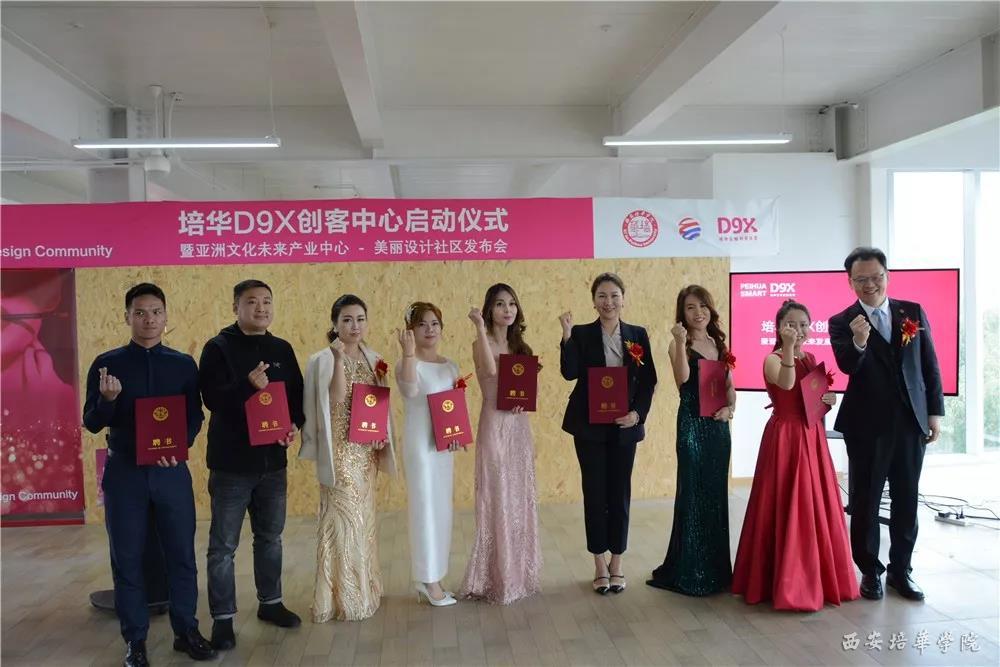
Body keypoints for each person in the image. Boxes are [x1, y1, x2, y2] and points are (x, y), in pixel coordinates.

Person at [83, 283, 215, 666]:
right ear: (127, 316)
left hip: (171, 473)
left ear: (166, 316)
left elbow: (194, 416)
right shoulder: (107, 364)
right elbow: (92, 422)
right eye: (140, 312)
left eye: (156, 312)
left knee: (182, 555)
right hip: (124, 473)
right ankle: (135, 640)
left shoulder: (183, 364)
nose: (149, 319)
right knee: (126, 558)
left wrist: (180, 446)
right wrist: (107, 401)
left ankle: (186, 631)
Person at [830, 247, 944, 602]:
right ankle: (870, 571)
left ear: (887, 276)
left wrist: (934, 412)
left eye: (876, 277)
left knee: (907, 499)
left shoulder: (912, 312)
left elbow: (929, 364)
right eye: (861, 279)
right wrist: (859, 341)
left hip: (911, 422)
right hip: (866, 426)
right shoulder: (842, 321)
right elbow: (847, 365)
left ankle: (901, 571)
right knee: (865, 500)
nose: (870, 285)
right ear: (850, 282)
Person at [198, 279, 305, 650]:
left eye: (266, 301)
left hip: (273, 463)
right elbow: (212, 399)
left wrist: (294, 426)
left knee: (270, 538)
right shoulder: (218, 347)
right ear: (236, 307)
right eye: (252, 302)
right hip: (231, 465)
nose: (261, 308)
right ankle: (223, 619)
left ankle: (270, 603)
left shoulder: (281, 348)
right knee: (223, 547)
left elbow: (296, 399)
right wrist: (247, 386)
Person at [731, 300, 858, 611]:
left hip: (811, 436)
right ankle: (784, 583)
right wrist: (788, 348)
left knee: (813, 503)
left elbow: (812, 400)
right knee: (784, 501)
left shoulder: (810, 357)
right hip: (785, 437)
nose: (798, 330)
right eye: (791, 324)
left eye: (803, 325)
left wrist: (827, 399)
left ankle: (818, 579)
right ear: (779, 327)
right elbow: (786, 384)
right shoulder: (772, 358)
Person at [559, 272, 657, 594]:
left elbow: (648, 381)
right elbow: (569, 373)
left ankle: (617, 561)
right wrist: (566, 336)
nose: (608, 302)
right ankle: (599, 562)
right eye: (602, 296)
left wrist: (637, 415)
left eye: (614, 295)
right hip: (589, 427)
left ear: (623, 299)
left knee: (620, 494)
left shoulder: (637, 334)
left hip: (624, 426)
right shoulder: (582, 333)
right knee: (595, 493)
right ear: (594, 301)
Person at [301, 294, 397, 622]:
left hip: (366, 450)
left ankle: (365, 589)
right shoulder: (322, 359)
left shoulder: (375, 358)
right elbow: (337, 397)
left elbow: (378, 403)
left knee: (364, 520)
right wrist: (339, 358)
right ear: (335, 324)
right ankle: (342, 597)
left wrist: (381, 434)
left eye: (360, 319)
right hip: (339, 451)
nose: (355, 326)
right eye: (347, 320)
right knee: (342, 520)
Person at [647, 285, 734, 596]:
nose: (698, 313)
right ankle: (690, 570)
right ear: (682, 314)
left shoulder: (718, 343)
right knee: (693, 493)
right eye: (690, 307)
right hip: (691, 427)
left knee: (715, 495)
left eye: (703, 306)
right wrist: (681, 342)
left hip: (718, 429)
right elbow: (682, 380)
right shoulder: (678, 344)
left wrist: (730, 409)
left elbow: (729, 386)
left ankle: (715, 569)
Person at [460, 283, 542, 604]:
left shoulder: (522, 348)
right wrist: (480, 329)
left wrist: (523, 401)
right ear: (489, 309)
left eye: (511, 304)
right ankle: (494, 576)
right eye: (499, 304)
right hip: (493, 424)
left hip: (518, 427)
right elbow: (490, 370)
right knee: (496, 496)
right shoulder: (479, 342)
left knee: (519, 497)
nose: (507, 310)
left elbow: (526, 388)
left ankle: (519, 572)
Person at [396, 302, 465, 607]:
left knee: (441, 507)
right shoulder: (406, 363)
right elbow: (410, 391)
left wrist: (457, 436)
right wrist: (408, 353)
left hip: (443, 447)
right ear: (411, 330)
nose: (429, 329)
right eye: (422, 324)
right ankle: (427, 578)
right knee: (424, 507)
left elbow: (454, 408)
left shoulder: (450, 366)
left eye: (435, 323)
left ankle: (437, 574)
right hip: (420, 446)